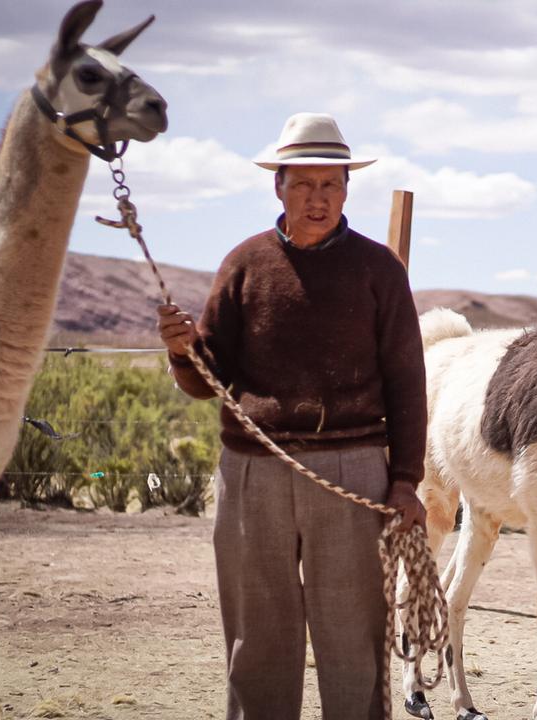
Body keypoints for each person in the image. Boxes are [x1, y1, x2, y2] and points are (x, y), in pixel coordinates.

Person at [156, 112, 427, 720]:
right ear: (277, 186)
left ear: (347, 189)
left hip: (354, 473)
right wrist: (182, 352)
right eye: (303, 184)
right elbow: (210, 383)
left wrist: (406, 478)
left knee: (354, 637)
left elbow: (408, 378)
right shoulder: (245, 264)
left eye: (330, 184)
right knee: (257, 637)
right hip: (254, 475)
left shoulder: (379, 269)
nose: (317, 198)